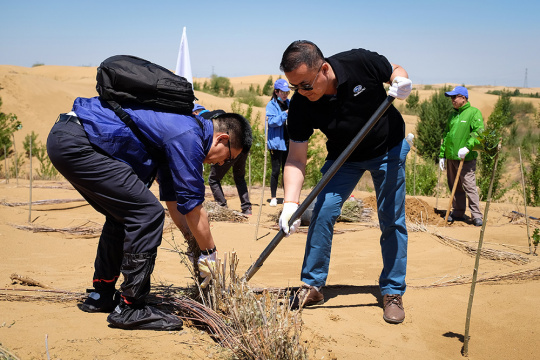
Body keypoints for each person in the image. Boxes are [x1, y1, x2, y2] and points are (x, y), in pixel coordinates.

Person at [46, 97, 252, 331]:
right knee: (148, 214)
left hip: (67, 138)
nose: (221, 163)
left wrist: (193, 243)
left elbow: (175, 202)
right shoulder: (188, 136)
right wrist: (209, 253)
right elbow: (194, 207)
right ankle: (131, 307)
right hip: (80, 144)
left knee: (122, 215)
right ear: (222, 139)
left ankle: (102, 294)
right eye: (228, 157)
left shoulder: (175, 136)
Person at [277, 40, 413, 324]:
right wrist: (290, 204)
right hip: (344, 157)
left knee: (391, 219)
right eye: (294, 87)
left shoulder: (359, 62)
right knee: (322, 212)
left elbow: (394, 70)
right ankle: (313, 285)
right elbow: (296, 158)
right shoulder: (302, 104)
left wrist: (401, 80)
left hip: (387, 148)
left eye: (305, 84)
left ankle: (392, 291)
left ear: (324, 69)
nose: (300, 92)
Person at [439, 86, 484, 227]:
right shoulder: (453, 115)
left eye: (454, 97)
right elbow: (447, 135)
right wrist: (442, 155)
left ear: (463, 98)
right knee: (454, 186)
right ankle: (458, 212)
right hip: (451, 157)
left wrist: (468, 147)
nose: (452, 100)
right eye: (451, 97)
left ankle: (476, 216)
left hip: (466, 159)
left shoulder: (473, 113)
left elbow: (479, 133)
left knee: (469, 186)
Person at [205, 110, 252, 215]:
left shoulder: (208, 121)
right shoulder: (227, 119)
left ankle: (223, 207)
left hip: (229, 148)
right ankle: (247, 207)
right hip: (241, 148)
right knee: (239, 177)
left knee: (213, 179)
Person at [266, 79, 291, 207]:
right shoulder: (271, 105)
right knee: (276, 170)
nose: (285, 94)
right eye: (283, 92)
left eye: (287, 92)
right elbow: (272, 122)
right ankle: (274, 197)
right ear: (276, 92)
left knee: (287, 171)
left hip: (288, 141)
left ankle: (288, 196)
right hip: (276, 143)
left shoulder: (289, 103)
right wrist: (285, 114)